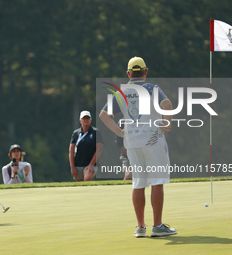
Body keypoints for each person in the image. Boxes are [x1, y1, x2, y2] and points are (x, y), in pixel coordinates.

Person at [99, 56, 177, 237]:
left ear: (128, 73)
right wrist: (168, 123)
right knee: (157, 182)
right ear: (146, 71)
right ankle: (157, 226)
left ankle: (140, 227)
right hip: (153, 141)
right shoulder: (152, 88)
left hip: (132, 143)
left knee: (138, 183)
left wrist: (119, 132)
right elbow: (167, 105)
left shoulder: (120, 92)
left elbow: (104, 115)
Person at [69, 111, 103, 181]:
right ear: (80, 120)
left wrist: (91, 164)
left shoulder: (96, 132)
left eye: (87, 118)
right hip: (78, 164)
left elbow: (99, 149)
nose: (86, 120)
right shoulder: (76, 133)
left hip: (91, 164)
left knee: (87, 178)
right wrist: (72, 167)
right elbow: (71, 151)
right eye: (84, 118)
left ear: (90, 120)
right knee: (80, 186)